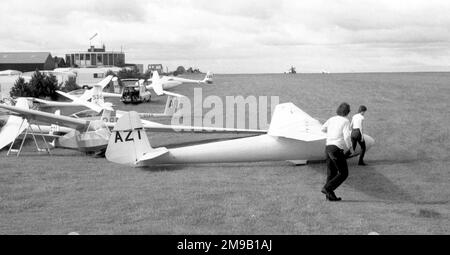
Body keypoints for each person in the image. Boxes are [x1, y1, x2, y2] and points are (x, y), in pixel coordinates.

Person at [321, 102, 353, 201]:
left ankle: (329, 196)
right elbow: (347, 136)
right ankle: (327, 188)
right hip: (336, 149)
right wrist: (350, 147)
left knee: (331, 173)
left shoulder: (331, 119)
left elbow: (323, 129)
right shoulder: (345, 121)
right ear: (347, 112)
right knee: (344, 173)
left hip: (328, 148)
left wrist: (331, 132)